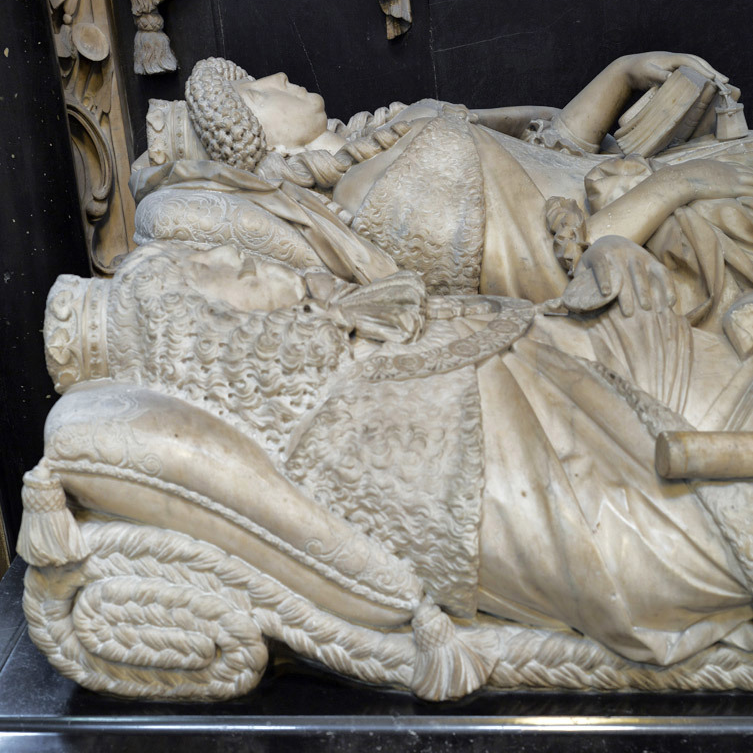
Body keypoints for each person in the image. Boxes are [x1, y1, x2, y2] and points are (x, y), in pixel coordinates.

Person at [43, 233, 753, 667]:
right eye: (204, 267)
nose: (231, 252)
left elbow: (557, 328)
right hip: (693, 476)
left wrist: (606, 263)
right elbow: (619, 550)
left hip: (679, 383)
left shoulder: (358, 334)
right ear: (205, 335)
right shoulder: (348, 451)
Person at [129, 51, 753, 330]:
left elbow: (548, 153)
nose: (278, 74)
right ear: (267, 149)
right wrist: (684, 182)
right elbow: (562, 269)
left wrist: (620, 75)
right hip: (681, 247)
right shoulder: (381, 197)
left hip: (671, 200)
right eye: (255, 91)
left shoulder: (395, 140)